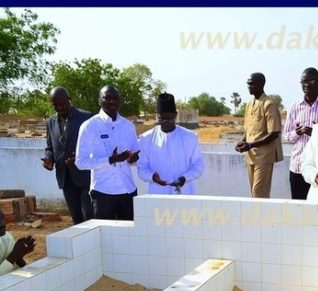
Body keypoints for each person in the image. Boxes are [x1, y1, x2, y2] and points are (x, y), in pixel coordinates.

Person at [75, 85, 140, 220]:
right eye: (107, 98)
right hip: (103, 191)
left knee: (128, 236)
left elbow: (133, 155)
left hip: (127, 189)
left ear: (120, 101)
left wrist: (132, 159)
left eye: (115, 98)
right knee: (104, 236)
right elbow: (80, 162)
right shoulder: (89, 126)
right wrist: (110, 160)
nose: (112, 101)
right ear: (99, 100)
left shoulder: (128, 126)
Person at [41, 87, 94, 224]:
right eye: (55, 104)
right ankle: (81, 245)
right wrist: (49, 159)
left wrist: (79, 157)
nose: (59, 107)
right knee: (76, 217)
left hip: (85, 176)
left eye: (62, 103)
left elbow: (95, 145)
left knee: (89, 215)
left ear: (69, 99)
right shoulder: (50, 122)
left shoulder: (86, 117)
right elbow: (50, 147)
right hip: (65, 177)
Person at [137, 93, 205, 195]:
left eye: (169, 118)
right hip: (157, 195)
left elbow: (198, 166)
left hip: (184, 194)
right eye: (162, 118)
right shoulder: (145, 139)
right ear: (157, 116)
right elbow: (142, 168)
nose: (166, 122)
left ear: (175, 115)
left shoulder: (190, 137)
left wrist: (184, 179)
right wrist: (153, 177)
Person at [282, 68, 318, 199]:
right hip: (297, 167)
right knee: (298, 209)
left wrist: (315, 132)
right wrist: (297, 133)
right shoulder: (294, 107)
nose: (306, 84)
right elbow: (286, 137)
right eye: (303, 81)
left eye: (311, 80)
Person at [235, 72, 283, 198]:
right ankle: (257, 217)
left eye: (252, 83)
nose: (249, 86)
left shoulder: (268, 104)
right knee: (254, 193)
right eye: (248, 83)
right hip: (251, 156)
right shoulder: (249, 104)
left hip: (264, 157)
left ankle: (263, 217)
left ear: (261, 84)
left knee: (259, 193)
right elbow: (249, 130)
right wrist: (243, 141)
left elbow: (274, 133)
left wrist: (250, 145)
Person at [0, 210, 36, 276]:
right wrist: (14, 255)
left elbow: (12, 269)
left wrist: (19, 259)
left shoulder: (7, 238)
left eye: (2, 218)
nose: (2, 224)